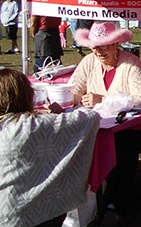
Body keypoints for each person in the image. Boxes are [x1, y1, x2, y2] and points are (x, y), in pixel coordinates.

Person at [0, 68, 100, 227]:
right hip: (45, 212)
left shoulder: (23, 125)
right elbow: (91, 117)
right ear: (27, 95)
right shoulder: (40, 125)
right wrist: (61, 113)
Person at [69, 21, 141, 214]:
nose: (98, 51)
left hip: (129, 127)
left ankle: (114, 202)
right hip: (95, 125)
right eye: (94, 47)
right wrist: (77, 99)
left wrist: (102, 100)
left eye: (104, 46)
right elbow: (72, 90)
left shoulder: (130, 62)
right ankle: (81, 199)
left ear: (116, 44)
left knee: (123, 148)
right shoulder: (89, 62)